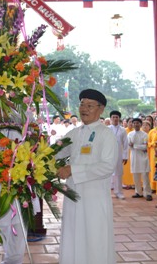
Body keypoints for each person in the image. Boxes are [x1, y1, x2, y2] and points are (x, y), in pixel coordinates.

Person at [56, 89, 118, 264]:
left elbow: (107, 167)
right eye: (82, 104)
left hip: (94, 198)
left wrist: (73, 170)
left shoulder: (106, 135)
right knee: (72, 233)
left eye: (90, 105)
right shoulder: (75, 133)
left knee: (94, 237)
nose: (84, 109)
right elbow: (55, 152)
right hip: (73, 194)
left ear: (101, 110)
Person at [0, 103, 26, 264]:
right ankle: (10, 255)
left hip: (17, 182)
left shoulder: (18, 128)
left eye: (0, 109)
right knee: (1, 221)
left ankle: (15, 259)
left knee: (19, 222)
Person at [128, 118, 152, 201]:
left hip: (143, 157)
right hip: (134, 156)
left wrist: (134, 146)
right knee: (135, 175)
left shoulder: (144, 135)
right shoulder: (130, 134)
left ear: (140, 124)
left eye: (137, 123)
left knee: (145, 175)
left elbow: (145, 146)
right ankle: (138, 192)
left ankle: (148, 193)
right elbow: (128, 146)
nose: (136, 124)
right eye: (134, 123)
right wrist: (135, 146)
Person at [108, 110, 128, 200]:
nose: (115, 119)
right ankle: (106, 192)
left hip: (119, 154)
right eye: (113, 117)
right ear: (111, 119)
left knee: (118, 173)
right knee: (107, 173)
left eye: (117, 117)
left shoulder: (123, 130)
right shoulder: (107, 129)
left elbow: (126, 144)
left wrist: (125, 156)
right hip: (108, 154)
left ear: (119, 118)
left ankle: (118, 192)